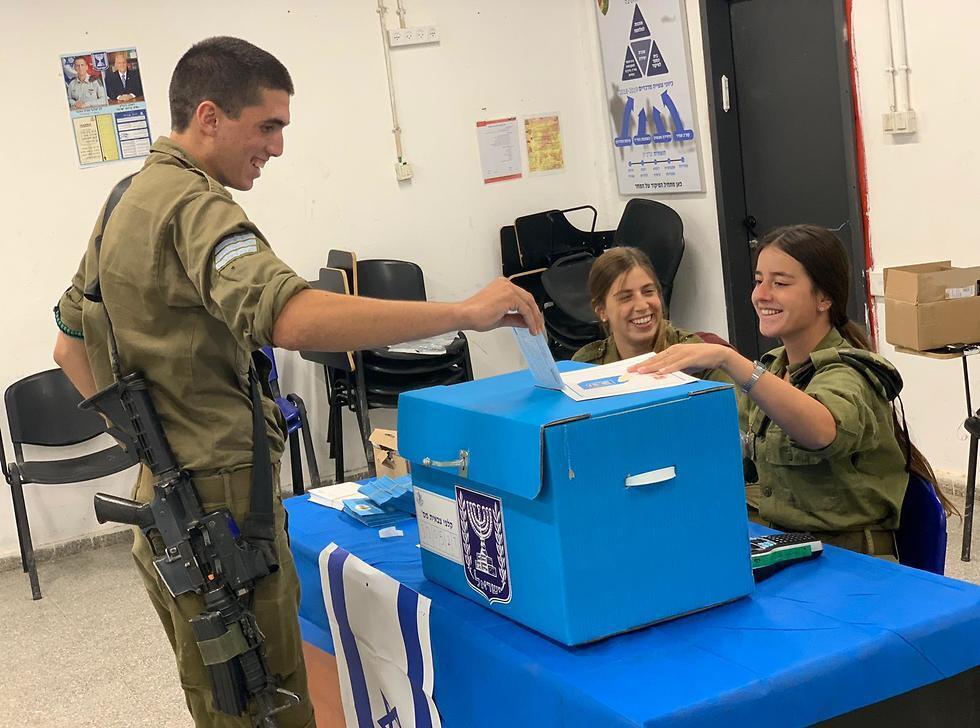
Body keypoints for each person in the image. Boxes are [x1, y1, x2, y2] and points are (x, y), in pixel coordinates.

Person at [52, 36, 542, 728]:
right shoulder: (196, 206)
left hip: (168, 505)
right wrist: (465, 311)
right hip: (222, 514)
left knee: (221, 703)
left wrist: (157, 451)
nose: (278, 147)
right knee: (266, 708)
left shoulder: (125, 200)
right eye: (268, 126)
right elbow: (293, 317)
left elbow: (70, 345)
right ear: (211, 117)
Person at [631, 224, 953, 557]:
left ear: (824, 297)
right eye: (758, 281)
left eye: (780, 283)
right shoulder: (775, 368)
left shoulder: (849, 372)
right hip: (786, 546)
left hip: (850, 564)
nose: (762, 294)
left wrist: (729, 360)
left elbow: (822, 431)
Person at [572, 246, 729, 382]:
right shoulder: (586, 366)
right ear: (602, 311)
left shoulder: (700, 357)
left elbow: (733, 414)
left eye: (648, 291)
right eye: (626, 297)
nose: (641, 306)